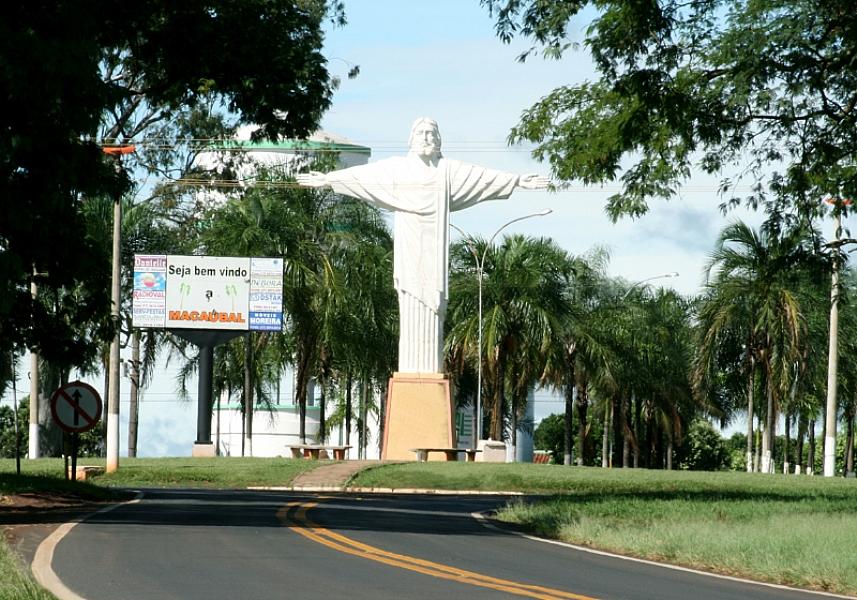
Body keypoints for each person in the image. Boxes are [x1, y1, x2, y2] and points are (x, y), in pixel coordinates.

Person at [296, 117, 549, 374]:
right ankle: (410, 371)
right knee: (410, 304)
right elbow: (365, 176)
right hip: (408, 255)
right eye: (421, 133)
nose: (427, 138)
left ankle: (428, 372)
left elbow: (482, 177)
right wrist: (329, 179)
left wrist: (517, 181)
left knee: (434, 306)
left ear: (438, 140)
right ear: (411, 138)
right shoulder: (397, 169)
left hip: (434, 259)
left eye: (431, 133)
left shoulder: (448, 171)